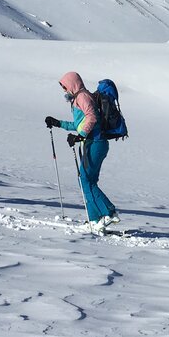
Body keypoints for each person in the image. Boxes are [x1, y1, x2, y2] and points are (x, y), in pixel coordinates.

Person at [45, 72, 120, 234]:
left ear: (72, 83)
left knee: (86, 180)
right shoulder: (77, 99)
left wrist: (81, 136)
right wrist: (58, 123)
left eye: (64, 86)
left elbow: (92, 118)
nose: (64, 89)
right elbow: (80, 124)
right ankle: (95, 219)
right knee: (85, 180)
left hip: (95, 143)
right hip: (91, 143)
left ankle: (108, 213)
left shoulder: (83, 97)